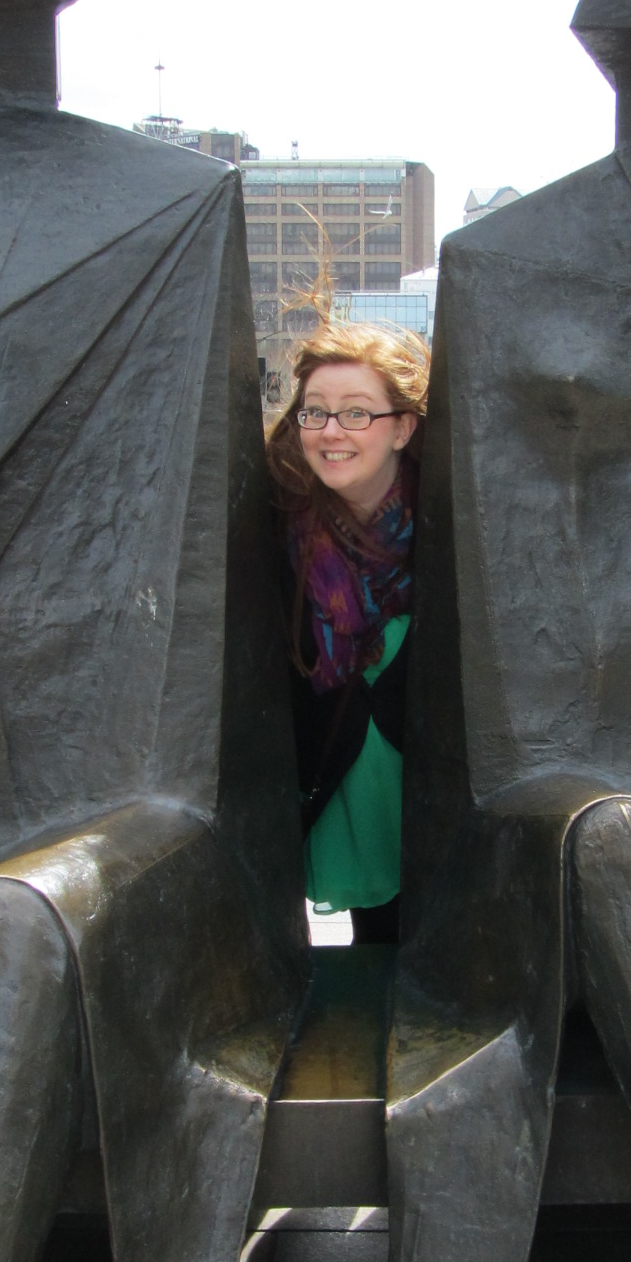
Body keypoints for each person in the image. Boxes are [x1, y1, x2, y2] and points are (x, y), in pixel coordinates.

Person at [268, 321, 429, 943]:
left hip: (433, 802)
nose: (331, 432)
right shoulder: (277, 529)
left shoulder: (450, 524)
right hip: (343, 794)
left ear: (402, 428)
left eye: (357, 413)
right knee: (377, 954)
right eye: (316, 412)